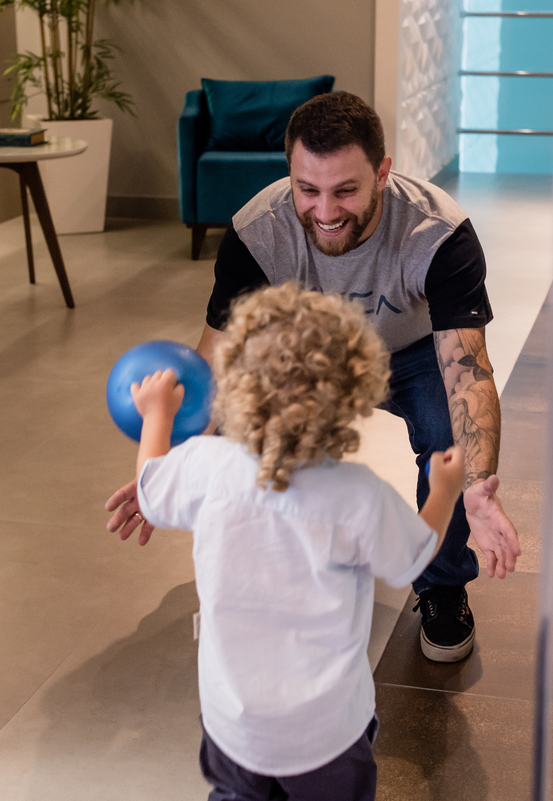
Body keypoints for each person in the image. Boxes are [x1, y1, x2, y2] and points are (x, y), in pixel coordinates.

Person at [108, 90, 519, 663]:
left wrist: (474, 486)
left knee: (448, 433)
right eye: (308, 189)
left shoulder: (438, 234)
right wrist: (179, 463)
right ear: (290, 175)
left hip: (412, 351)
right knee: (244, 420)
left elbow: (467, 372)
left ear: (382, 172)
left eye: (345, 190)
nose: (325, 211)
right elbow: (217, 363)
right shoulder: (258, 232)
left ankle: (443, 587)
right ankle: (266, 568)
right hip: (307, 358)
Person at [119, 285, 466, 801]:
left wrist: (157, 417)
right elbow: (413, 557)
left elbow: (150, 487)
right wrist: (444, 492)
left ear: (232, 383)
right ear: (352, 397)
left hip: (234, 723)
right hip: (326, 732)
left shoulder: (204, 467)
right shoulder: (358, 497)